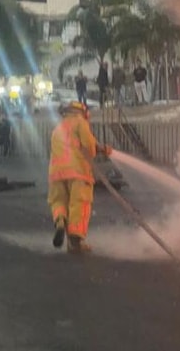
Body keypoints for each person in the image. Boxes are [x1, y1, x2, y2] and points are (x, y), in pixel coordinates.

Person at [48, 101, 112, 254]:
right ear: (82, 112)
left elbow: (72, 144)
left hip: (56, 173)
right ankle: (75, 241)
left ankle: (60, 221)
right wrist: (99, 149)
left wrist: (98, 147)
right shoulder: (80, 122)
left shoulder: (58, 128)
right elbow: (88, 145)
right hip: (77, 171)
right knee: (79, 203)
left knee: (59, 202)